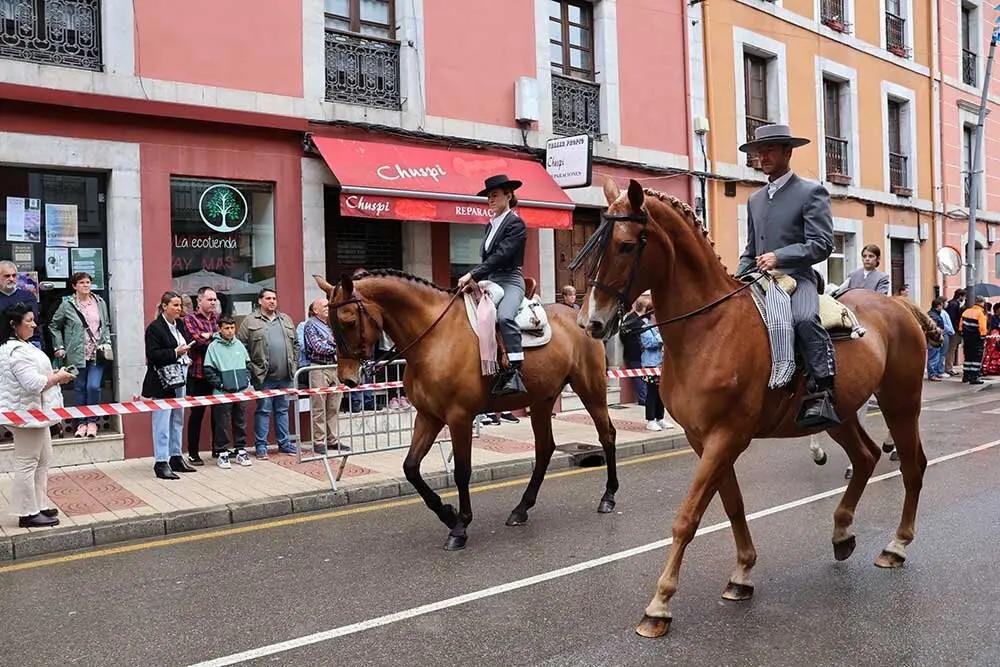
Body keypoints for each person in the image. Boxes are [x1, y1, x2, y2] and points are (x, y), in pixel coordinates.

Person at [736, 124, 838, 429]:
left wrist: (781, 256)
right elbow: (751, 248)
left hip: (798, 278)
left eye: (769, 150)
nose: (762, 156)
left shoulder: (811, 192)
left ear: (787, 152)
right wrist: (737, 275)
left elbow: (822, 244)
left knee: (804, 319)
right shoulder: (754, 199)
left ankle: (823, 391)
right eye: (759, 151)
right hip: (760, 278)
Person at [0, 303, 75, 527]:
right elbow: (33, 384)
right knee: (27, 462)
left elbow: (34, 377)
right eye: (28, 320)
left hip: (35, 414)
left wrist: (52, 374)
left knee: (43, 459)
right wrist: (58, 377)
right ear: (14, 325)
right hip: (26, 416)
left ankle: (39, 504)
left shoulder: (21, 346)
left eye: (33, 319)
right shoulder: (15, 351)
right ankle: (27, 512)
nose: (34, 324)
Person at [457, 174, 529, 396]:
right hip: (492, 280)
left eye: (495, 195)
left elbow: (501, 255)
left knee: (505, 316)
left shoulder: (516, 223)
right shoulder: (491, 226)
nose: (490, 199)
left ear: (508, 196)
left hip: (510, 280)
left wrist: (473, 274)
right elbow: (488, 259)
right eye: (488, 196)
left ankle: (515, 372)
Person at [48, 271, 112, 438]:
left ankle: (92, 421)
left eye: (88, 282)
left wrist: (106, 342)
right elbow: (54, 325)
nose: (86, 285)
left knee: (93, 386)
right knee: (79, 388)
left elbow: (105, 325)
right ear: (74, 286)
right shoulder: (67, 305)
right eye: (82, 282)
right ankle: (80, 423)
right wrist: (59, 346)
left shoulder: (100, 302)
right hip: (74, 354)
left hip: (97, 353)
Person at [238, 288, 299, 459]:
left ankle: (284, 443)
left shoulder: (285, 319)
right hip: (263, 376)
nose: (272, 301)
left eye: (274, 298)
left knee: (283, 410)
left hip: (286, 375)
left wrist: (294, 364)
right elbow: (241, 346)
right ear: (260, 301)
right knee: (263, 411)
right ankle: (261, 446)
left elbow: (296, 345)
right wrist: (251, 368)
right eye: (268, 298)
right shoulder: (250, 321)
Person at [142, 291, 194, 480]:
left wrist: (185, 357)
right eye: (175, 305)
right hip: (162, 380)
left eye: (180, 305)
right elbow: (153, 354)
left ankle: (176, 456)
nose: (179, 309)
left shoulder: (179, 325)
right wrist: (175, 353)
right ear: (164, 306)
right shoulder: (155, 328)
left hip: (181, 375)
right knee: (162, 421)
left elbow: (184, 347)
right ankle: (161, 461)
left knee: (178, 418)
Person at [203, 314, 253, 469]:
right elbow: (208, 370)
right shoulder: (213, 347)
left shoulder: (239, 345)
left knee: (240, 422)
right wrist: (222, 384)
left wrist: (246, 381)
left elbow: (248, 365)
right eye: (227, 328)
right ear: (219, 329)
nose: (230, 331)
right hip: (222, 393)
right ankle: (222, 452)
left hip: (241, 392)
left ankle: (240, 450)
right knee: (222, 424)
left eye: (232, 328)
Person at [182, 287, 220, 465]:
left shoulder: (218, 318)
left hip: (217, 373)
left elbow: (225, 338)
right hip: (198, 373)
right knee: (197, 414)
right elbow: (195, 343)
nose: (213, 303)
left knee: (219, 413)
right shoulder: (190, 319)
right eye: (210, 299)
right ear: (200, 301)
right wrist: (214, 338)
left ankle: (218, 449)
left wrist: (210, 336)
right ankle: (193, 452)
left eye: (215, 300)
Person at [303, 295, 345, 455]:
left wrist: (333, 343)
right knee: (319, 407)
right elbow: (318, 347)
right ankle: (319, 441)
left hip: (335, 368)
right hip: (318, 368)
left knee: (334, 406)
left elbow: (342, 341)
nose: (329, 308)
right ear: (315, 310)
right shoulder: (310, 325)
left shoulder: (332, 324)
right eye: (325, 306)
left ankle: (332, 439)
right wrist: (337, 345)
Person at [638, 310, 675, 431]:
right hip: (651, 365)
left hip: (662, 364)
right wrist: (662, 335)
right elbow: (649, 343)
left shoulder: (661, 327)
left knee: (661, 392)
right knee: (652, 392)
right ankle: (650, 420)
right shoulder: (645, 328)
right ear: (651, 314)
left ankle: (660, 418)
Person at [0, 260, 41, 349]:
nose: (11, 279)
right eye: (7, 276)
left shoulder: (27, 296)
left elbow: (30, 319)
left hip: (28, 342)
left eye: (14, 275)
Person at [620, 293, 652, 406]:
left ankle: (645, 397)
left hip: (639, 353)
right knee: (639, 377)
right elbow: (624, 336)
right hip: (635, 353)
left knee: (643, 376)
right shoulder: (634, 321)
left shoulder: (637, 319)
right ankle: (643, 399)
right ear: (643, 307)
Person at [959, 294, 989, 385]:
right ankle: (974, 377)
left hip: (967, 339)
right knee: (976, 359)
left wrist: (962, 333)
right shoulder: (980, 313)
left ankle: (966, 376)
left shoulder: (966, 312)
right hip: (976, 339)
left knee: (968, 358)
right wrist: (983, 337)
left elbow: (961, 326)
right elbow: (982, 328)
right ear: (981, 303)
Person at [944, 289, 966, 373]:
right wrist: (957, 329)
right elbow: (953, 318)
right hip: (954, 331)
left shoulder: (952, 303)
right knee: (951, 349)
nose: (964, 298)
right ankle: (949, 368)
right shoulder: (954, 304)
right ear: (960, 296)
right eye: (963, 296)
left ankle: (949, 367)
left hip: (953, 330)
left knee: (952, 349)